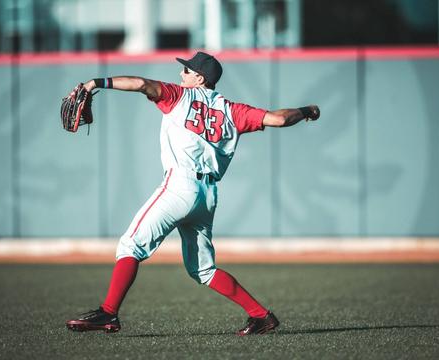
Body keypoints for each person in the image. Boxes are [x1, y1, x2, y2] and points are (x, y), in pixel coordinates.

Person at [66, 51, 320, 335]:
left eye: (187, 71)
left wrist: (96, 82)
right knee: (203, 269)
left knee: (130, 246)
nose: (181, 74)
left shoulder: (178, 96)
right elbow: (279, 119)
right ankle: (261, 315)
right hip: (207, 195)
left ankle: (108, 313)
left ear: (200, 78)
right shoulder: (232, 111)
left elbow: (140, 83)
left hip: (180, 186)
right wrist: (307, 110)